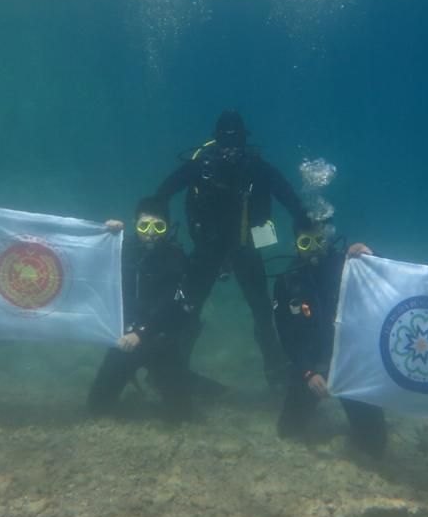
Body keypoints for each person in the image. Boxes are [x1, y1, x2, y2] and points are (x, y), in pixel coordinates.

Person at [155, 110, 311, 388]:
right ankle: (173, 368)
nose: (230, 150)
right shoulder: (200, 167)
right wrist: (154, 227)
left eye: (235, 142)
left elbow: (292, 201)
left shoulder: (258, 169)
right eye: (224, 143)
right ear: (214, 142)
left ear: (243, 141)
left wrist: (308, 228)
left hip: (245, 248)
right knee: (189, 307)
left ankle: (276, 370)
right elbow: (161, 195)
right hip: (207, 249)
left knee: (262, 310)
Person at [273, 221, 387, 458]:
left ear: (328, 241)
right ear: (296, 246)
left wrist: (371, 255)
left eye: (319, 241)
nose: (314, 249)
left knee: (375, 445)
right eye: (306, 243)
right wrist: (307, 372)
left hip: (349, 363)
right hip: (312, 364)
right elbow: (286, 334)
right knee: (288, 431)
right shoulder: (286, 282)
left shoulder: (349, 265)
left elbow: (386, 281)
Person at [87, 196, 197, 422]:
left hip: (160, 340)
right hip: (125, 339)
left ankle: (184, 382)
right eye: (144, 225)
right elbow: (87, 260)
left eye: (158, 226)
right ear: (135, 223)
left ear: (167, 228)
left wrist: (142, 333)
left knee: (182, 415)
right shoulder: (122, 247)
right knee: (96, 408)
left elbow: (172, 304)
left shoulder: (175, 257)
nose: (151, 232)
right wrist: (104, 234)